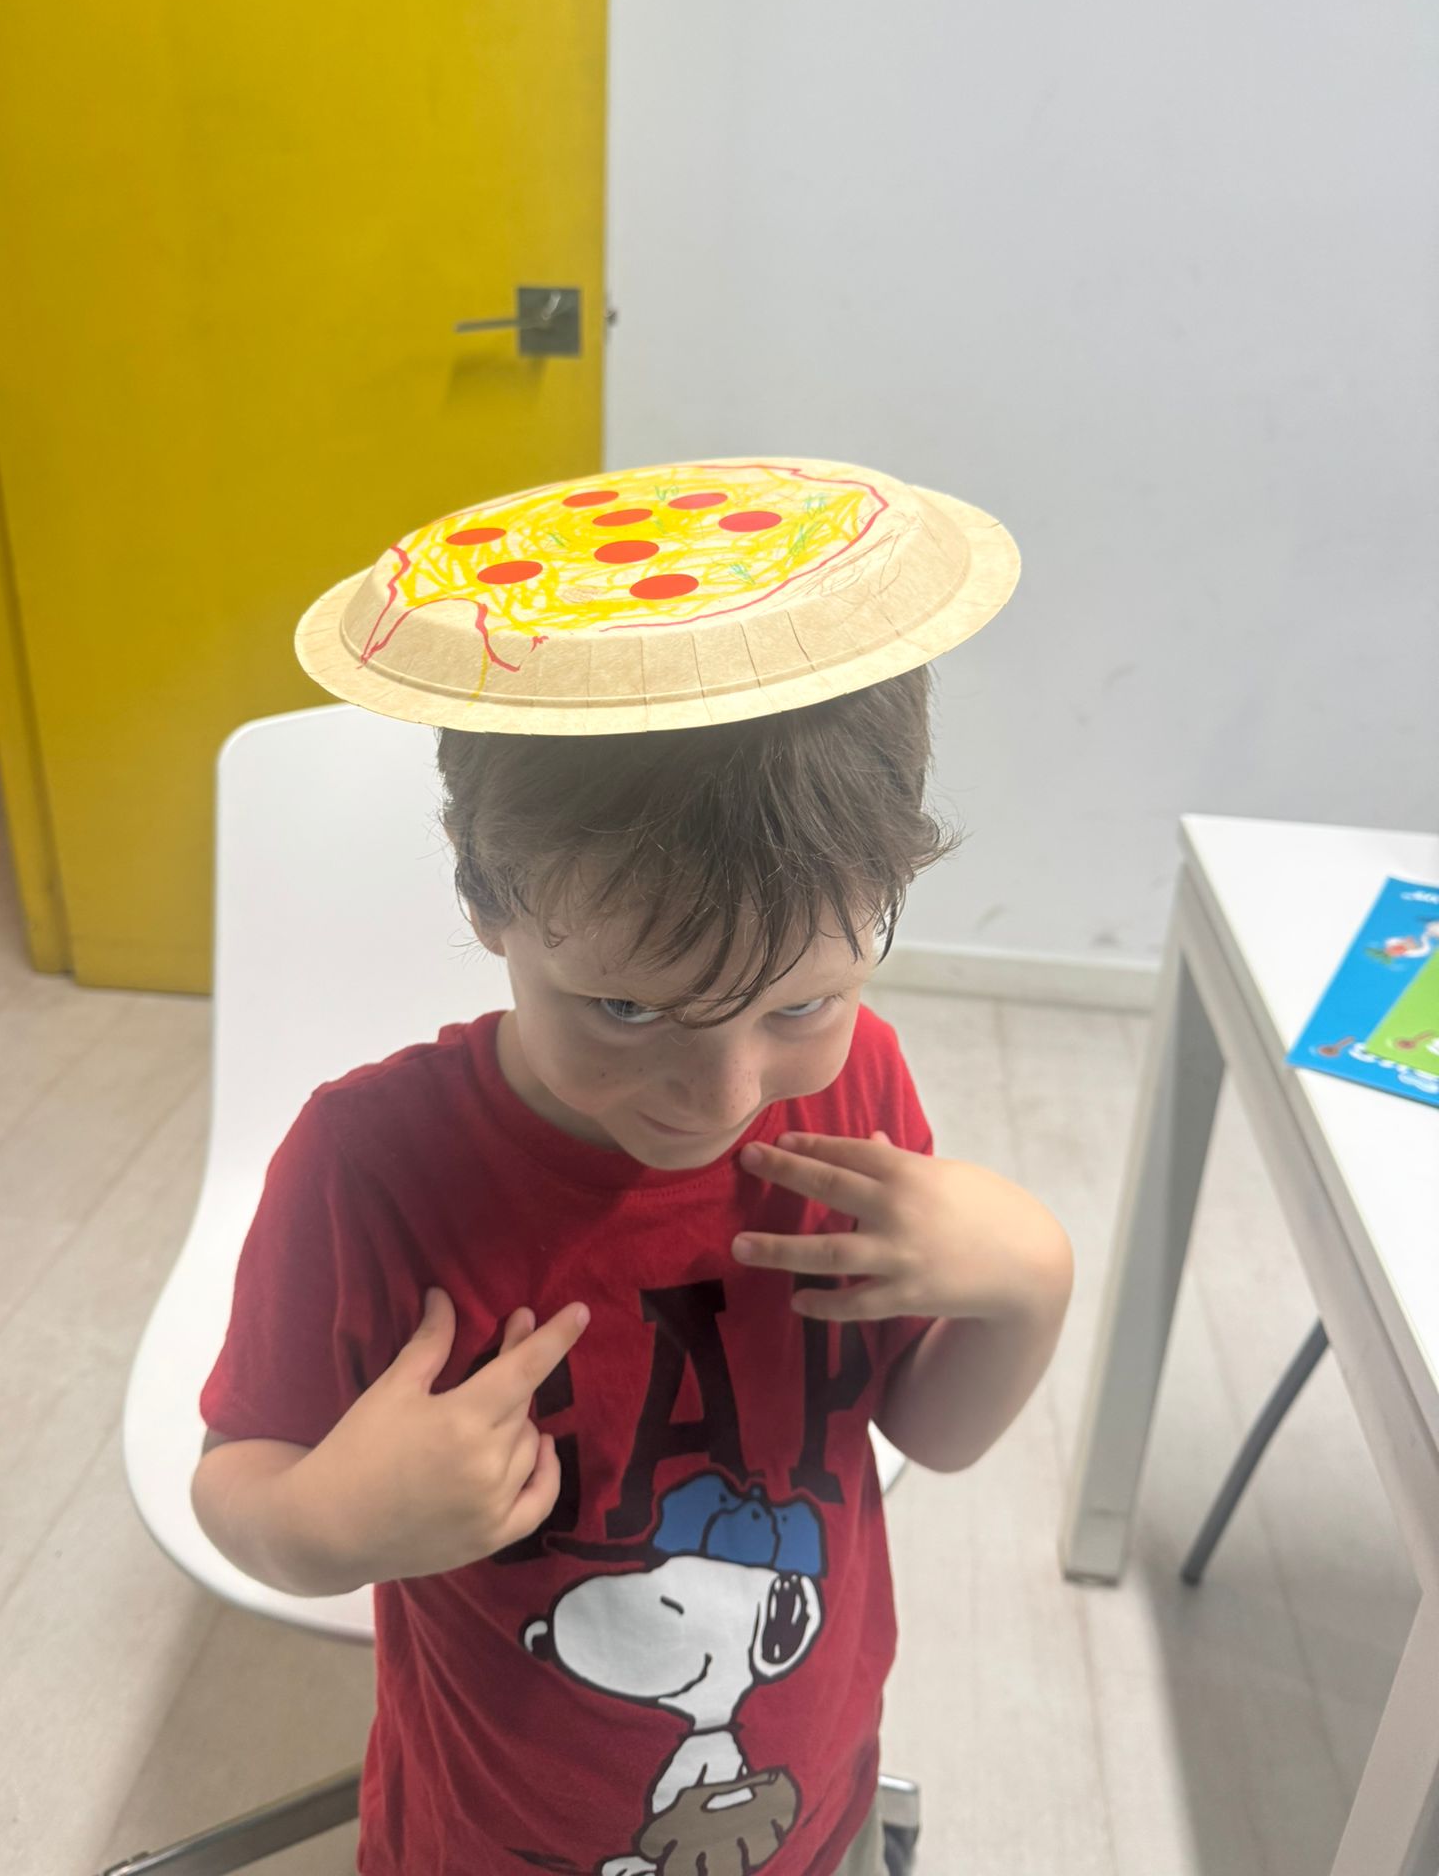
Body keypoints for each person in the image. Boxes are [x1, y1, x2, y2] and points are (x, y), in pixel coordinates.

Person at [193, 462, 1072, 1875]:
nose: (719, 1098)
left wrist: (1028, 1285)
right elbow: (240, 1478)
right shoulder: (370, 1167)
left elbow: (931, 1427)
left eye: (801, 1001)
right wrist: (330, 1523)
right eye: (626, 1008)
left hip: (810, 1812)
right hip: (490, 1843)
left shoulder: (854, 1089)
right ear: (487, 898)